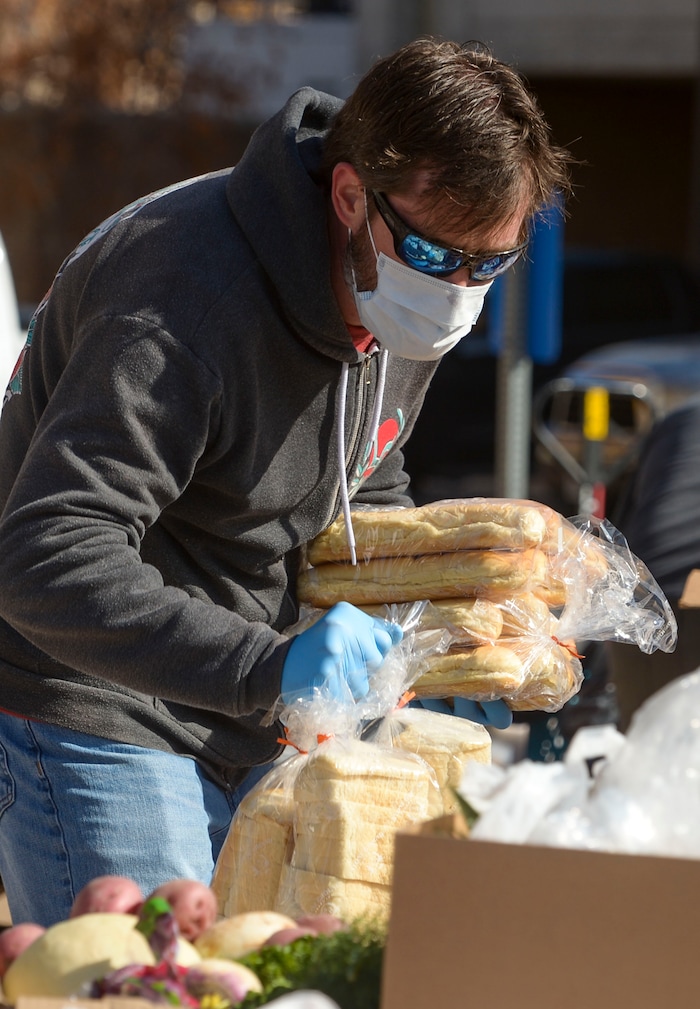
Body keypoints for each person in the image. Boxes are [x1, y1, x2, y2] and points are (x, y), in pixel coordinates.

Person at [0, 36, 571, 925]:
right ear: (350, 196)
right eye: (437, 257)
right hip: (98, 704)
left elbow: (364, 485)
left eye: (489, 265)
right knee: (162, 975)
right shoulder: (181, 304)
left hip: (259, 704)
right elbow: (43, 556)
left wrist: (424, 633)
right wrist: (268, 664)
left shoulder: (398, 300)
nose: (459, 290)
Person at [606, 394, 700, 730]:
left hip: (644, 610)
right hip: (681, 593)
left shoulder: (679, 419)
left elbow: (623, 526)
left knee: (643, 763)